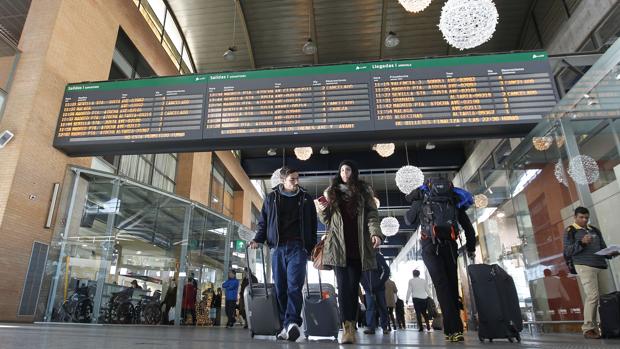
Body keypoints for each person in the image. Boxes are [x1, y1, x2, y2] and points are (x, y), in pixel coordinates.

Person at [317, 160, 384, 345]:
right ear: (339, 172)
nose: (345, 172)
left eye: (348, 169)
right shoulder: (332, 192)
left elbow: (372, 215)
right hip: (338, 247)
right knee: (343, 287)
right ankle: (346, 328)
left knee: (353, 288)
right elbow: (326, 219)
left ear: (354, 172)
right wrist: (322, 208)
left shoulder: (364, 192)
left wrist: (375, 233)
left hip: (357, 247)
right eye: (342, 169)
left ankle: (351, 325)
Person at [249, 166, 318, 342]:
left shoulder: (306, 198)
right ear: (282, 180)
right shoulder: (271, 198)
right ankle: (285, 326)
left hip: (298, 248)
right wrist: (258, 239)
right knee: (280, 289)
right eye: (292, 179)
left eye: (297, 178)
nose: (296, 182)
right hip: (277, 248)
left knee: (294, 286)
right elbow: (263, 223)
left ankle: (292, 322)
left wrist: (310, 247)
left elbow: (312, 224)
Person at [404, 177, 476, 342]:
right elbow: (468, 228)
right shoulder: (452, 199)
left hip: (430, 246)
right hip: (450, 246)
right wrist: (471, 248)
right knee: (450, 285)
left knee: (441, 286)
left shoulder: (423, 198)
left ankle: (454, 330)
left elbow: (408, 220)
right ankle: (454, 330)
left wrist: (417, 202)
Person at [563, 206, 619, 339]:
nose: (584, 220)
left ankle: (609, 327)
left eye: (586, 218)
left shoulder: (594, 230)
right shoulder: (570, 231)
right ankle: (588, 328)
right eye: (581, 217)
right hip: (584, 266)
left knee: (606, 297)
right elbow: (567, 252)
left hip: (600, 265)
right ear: (575, 217)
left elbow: (603, 248)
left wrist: (612, 253)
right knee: (593, 296)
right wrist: (582, 243)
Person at [360, 251, 390, 335]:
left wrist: (380, 282)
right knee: (369, 307)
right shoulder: (362, 257)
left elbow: (386, 270)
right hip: (368, 289)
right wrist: (364, 285)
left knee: (382, 306)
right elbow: (359, 273)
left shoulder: (378, 256)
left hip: (379, 288)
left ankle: (385, 327)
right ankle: (371, 328)